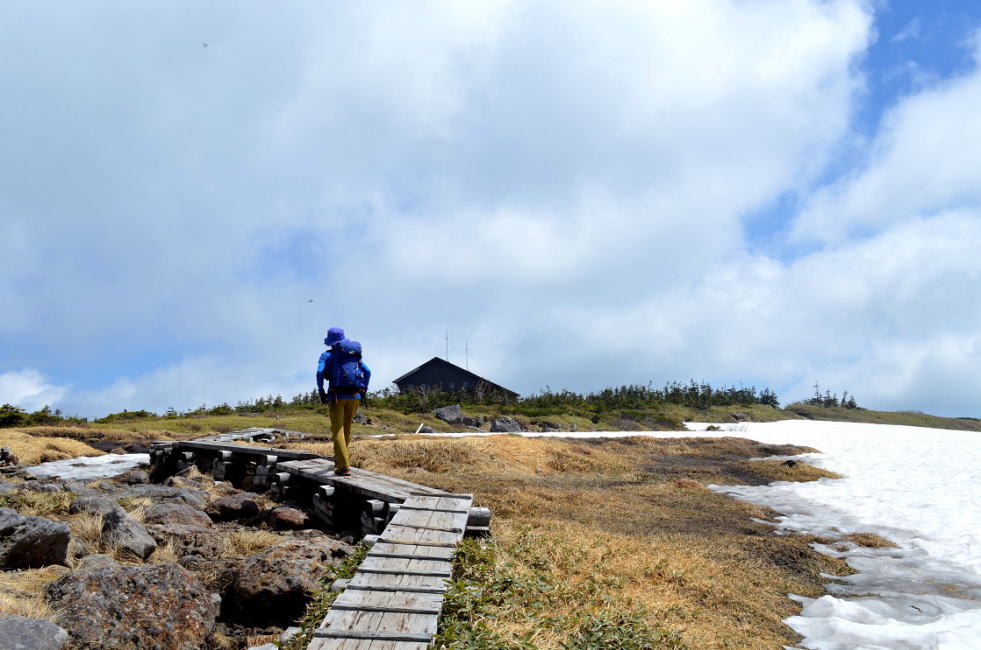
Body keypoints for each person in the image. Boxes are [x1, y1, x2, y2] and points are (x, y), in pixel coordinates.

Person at [316, 327, 370, 476]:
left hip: (336, 397)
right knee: (346, 430)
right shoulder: (353, 355)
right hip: (354, 396)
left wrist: (321, 391)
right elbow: (368, 371)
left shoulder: (326, 355)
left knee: (337, 431)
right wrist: (364, 388)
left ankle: (344, 466)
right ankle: (340, 460)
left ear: (330, 341)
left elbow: (320, 372)